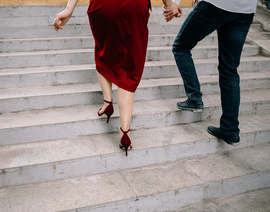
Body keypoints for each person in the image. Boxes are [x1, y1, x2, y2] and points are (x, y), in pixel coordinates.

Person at [54, 0, 179, 156]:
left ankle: (108, 102)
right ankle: (125, 132)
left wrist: (69, 9)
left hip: (104, 5)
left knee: (103, 50)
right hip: (135, 6)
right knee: (130, 67)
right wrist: (170, 4)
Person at [164, 0, 257, 144]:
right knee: (230, 69)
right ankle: (230, 129)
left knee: (180, 47)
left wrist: (174, 2)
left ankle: (194, 97)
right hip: (245, 10)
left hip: (217, 4)